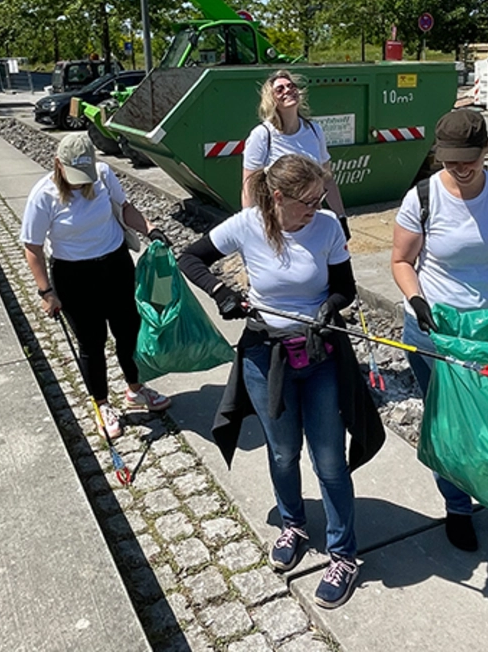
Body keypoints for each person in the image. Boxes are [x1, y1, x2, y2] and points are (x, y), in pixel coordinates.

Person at [179, 154, 384, 609]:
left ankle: (343, 553)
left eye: (319, 197)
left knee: (329, 458)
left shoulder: (328, 226)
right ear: (278, 198)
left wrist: (332, 306)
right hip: (264, 355)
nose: (317, 207)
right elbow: (189, 258)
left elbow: (345, 287)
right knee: (283, 449)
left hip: (319, 355)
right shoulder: (247, 224)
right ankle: (293, 524)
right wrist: (222, 294)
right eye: (307, 201)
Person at [390, 108, 488, 554]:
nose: (459, 168)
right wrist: (417, 301)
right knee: (451, 429)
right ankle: (458, 507)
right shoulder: (421, 198)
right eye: (450, 160)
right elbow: (401, 261)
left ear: (484, 152)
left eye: (468, 159)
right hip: (435, 333)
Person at [20, 133, 171, 440]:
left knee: (129, 331)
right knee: (92, 343)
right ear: (58, 165)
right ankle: (102, 404)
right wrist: (46, 293)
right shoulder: (43, 195)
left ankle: (135, 389)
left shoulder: (102, 174)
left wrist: (150, 228)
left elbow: (124, 207)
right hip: (73, 274)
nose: (80, 182)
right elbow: (32, 246)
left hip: (114, 264)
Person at [242, 70, 351, 241]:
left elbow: (327, 179)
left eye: (291, 86)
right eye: (280, 89)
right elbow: (249, 187)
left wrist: (341, 217)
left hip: (312, 221)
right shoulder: (262, 136)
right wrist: (249, 229)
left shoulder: (314, 130)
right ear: (271, 100)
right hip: (279, 225)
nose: (287, 90)